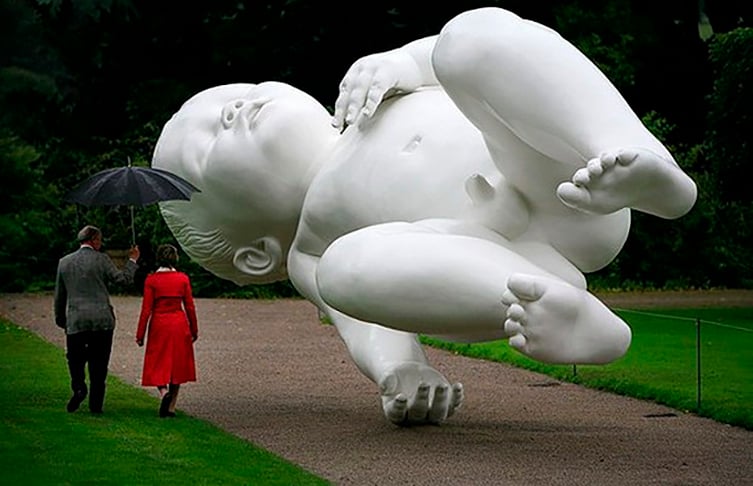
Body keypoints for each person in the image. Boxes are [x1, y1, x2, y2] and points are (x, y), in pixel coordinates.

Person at [151, 7, 696, 425]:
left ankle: (633, 158)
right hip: (500, 258)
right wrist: (401, 369)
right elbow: (366, 323)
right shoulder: (307, 248)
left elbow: (475, 68)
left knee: (468, 37)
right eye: (209, 144)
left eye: (234, 97)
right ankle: (558, 308)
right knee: (346, 271)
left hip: (560, 179)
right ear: (255, 253)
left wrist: (405, 61)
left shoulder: (372, 89)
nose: (232, 111)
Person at [54, 225, 140, 414]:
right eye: (99, 239)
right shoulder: (102, 260)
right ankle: (96, 405)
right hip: (102, 320)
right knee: (99, 362)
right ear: (93, 239)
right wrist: (132, 260)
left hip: (76, 319)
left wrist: (61, 320)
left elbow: (60, 296)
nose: (101, 243)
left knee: (75, 358)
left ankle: (78, 387)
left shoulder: (64, 262)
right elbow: (123, 280)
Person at [135, 243, 198, 418]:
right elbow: (190, 306)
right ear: (175, 258)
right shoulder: (183, 279)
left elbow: (146, 309)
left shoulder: (152, 280)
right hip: (179, 323)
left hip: (160, 324)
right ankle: (171, 407)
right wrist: (194, 329)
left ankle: (163, 393)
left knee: (157, 361)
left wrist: (140, 334)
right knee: (177, 364)